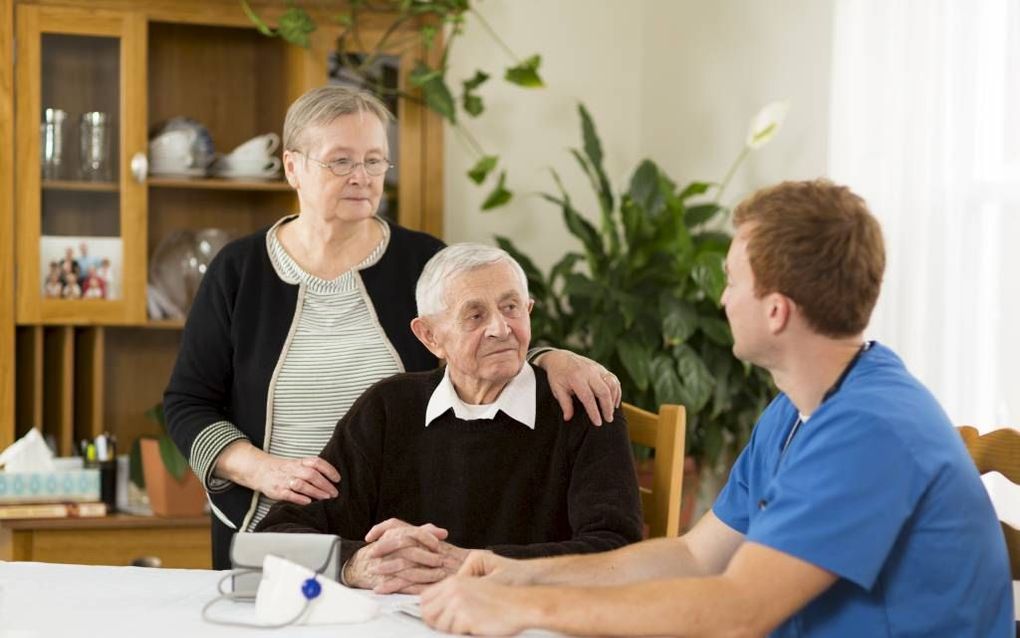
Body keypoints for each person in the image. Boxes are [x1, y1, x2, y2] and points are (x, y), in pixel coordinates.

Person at [420, 179, 1014, 637]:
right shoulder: (794, 410)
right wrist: (516, 571)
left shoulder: (872, 430)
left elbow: (737, 612)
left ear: (776, 311)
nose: (721, 296)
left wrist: (520, 607)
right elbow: (695, 556)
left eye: (732, 280)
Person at [163, 85, 622, 570]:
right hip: (273, 532)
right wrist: (262, 470)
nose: (361, 177)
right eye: (340, 161)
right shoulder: (239, 271)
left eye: (375, 160)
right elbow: (187, 403)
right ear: (293, 167)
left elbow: (472, 341)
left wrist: (547, 356)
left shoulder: (423, 261)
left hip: (403, 541)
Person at [256, 244, 643, 594]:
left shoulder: (581, 403)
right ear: (429, 337)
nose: (500, 329)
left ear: (528, 311)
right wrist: (353, 564)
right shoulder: (388, 408)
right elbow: (271, 542)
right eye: (475, 315)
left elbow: (616, 551)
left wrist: (468, 564)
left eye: (511, 307)